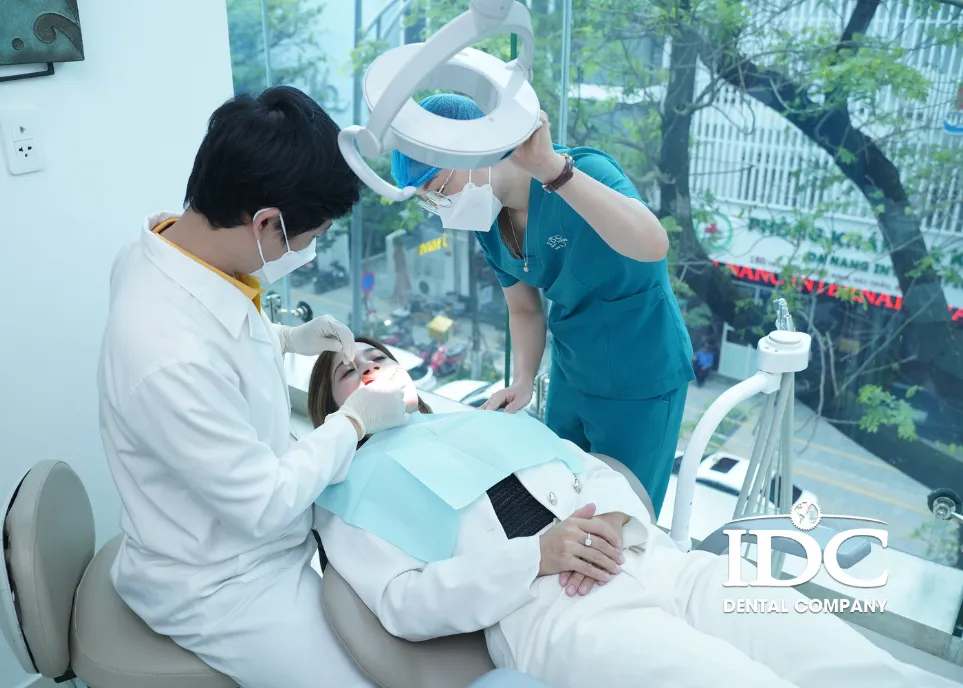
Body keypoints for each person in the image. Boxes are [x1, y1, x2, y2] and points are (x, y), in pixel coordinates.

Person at [309, 339, 955, 688]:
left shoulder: (486, 418)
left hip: (659, 562)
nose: (367, 365)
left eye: (375, 356)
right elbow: (404, 604)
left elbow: (591, 470)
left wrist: (615, 522)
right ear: (330, 408)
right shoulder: (349, 490)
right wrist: (537, 555)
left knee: (846, 661)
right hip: (556, 609)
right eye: (346, 370)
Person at [97, 86, 409, 688]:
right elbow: (262, 505)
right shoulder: (167, 354)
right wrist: (353, 421)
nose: (310, 251)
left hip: (250, 531)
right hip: (222, 580)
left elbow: (220, 338)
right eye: (310, 237)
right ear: (266, 222)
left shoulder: (168, 245)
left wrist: (285, 339)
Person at [391, 94, 693, 516]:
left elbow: (653, 245)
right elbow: (524, 309)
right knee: (559, 498)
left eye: (438, 189)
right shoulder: (488, 220)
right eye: (428, 200)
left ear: (473, 151)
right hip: (572, 369)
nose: (440, 207)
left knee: (620, 516)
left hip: (641, 375)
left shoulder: (580, 172)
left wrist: (554, 171)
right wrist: (523, 379)